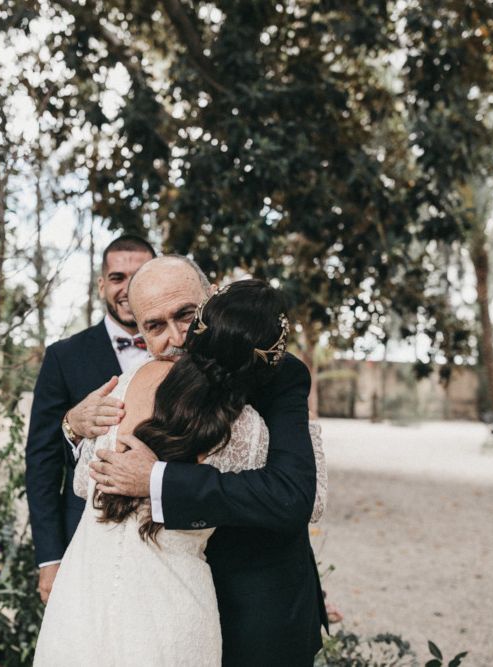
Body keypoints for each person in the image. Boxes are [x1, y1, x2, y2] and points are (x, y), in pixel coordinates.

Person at [34, 278, 325, 666]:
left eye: (186, 316)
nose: (177, 336)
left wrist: (157, 481)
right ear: (139, 332)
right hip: (109, 598)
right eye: (155, 326)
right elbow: (82, 478)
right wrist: (73, 425)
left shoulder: (272, 374)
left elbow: (300, 495)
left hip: (251, 607)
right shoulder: (127, 383)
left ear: (210, 299)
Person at [25, 234, 155, 603]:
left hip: (170, 534)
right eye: (117, 278)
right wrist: (50, 557)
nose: (127, 288)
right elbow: (42, 461)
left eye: (140, 275)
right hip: (88, 533)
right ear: (101, 285)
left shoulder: (185, 351)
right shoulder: (64, 357)